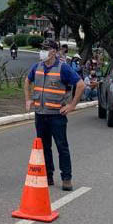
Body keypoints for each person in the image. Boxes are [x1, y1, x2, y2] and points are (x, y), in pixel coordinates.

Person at [23, 39, 84, 191]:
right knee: (44, 147)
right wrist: (28, 99)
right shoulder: (37, 67)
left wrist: (72, 105)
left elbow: (81, 84)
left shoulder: (63, 68)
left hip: (57, 115)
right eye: (42, 48)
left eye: (47, 48)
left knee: (62, 146)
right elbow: (27, 81)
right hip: (41, 114)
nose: (43, 51)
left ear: (55, 52)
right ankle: (48, 176)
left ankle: (66, 178)